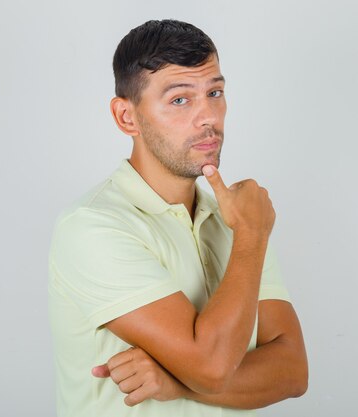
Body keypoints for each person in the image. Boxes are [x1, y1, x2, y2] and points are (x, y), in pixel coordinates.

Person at [48, 19, 308, 417]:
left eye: (215, 92)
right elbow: (212, 368)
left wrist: (173, 383)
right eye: (180, 100)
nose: (208, 117)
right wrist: (252, 234)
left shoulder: (233, 218)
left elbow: (291, 371)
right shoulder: (93, 226)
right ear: (126, 117)